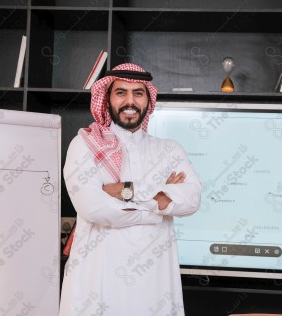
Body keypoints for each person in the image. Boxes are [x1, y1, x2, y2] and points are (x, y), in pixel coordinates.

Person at [59, 63, 201, 315]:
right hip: (99, 279)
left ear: (148, 99)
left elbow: (191, 199)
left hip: (154, 282)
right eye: (121, 92)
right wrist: (159, 205)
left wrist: (125, 190)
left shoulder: (169, 149)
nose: (130, 101)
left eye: (138, 93)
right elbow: (94, 209)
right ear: (107, 98)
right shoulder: (84, 145)